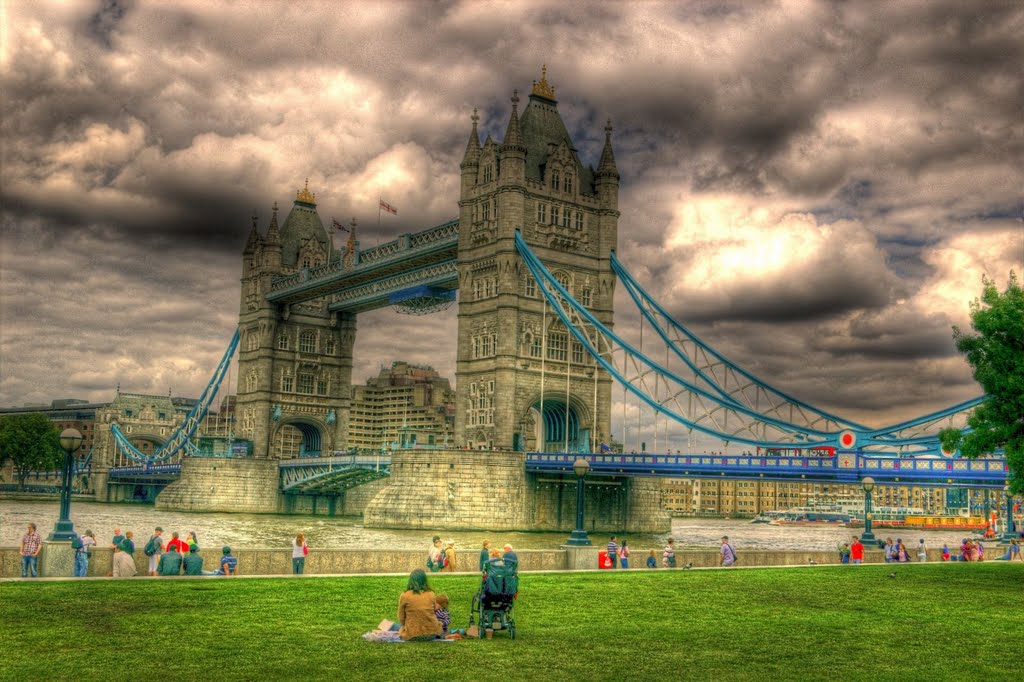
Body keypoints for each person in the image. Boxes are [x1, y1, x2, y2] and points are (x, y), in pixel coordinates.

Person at [397, 568, 443, 641]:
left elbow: (401, 617)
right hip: (431, 634)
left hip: (412, 635)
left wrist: (406, 626)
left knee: (396, 626)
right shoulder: (431, 594)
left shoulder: (405, 595)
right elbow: (433, 611)